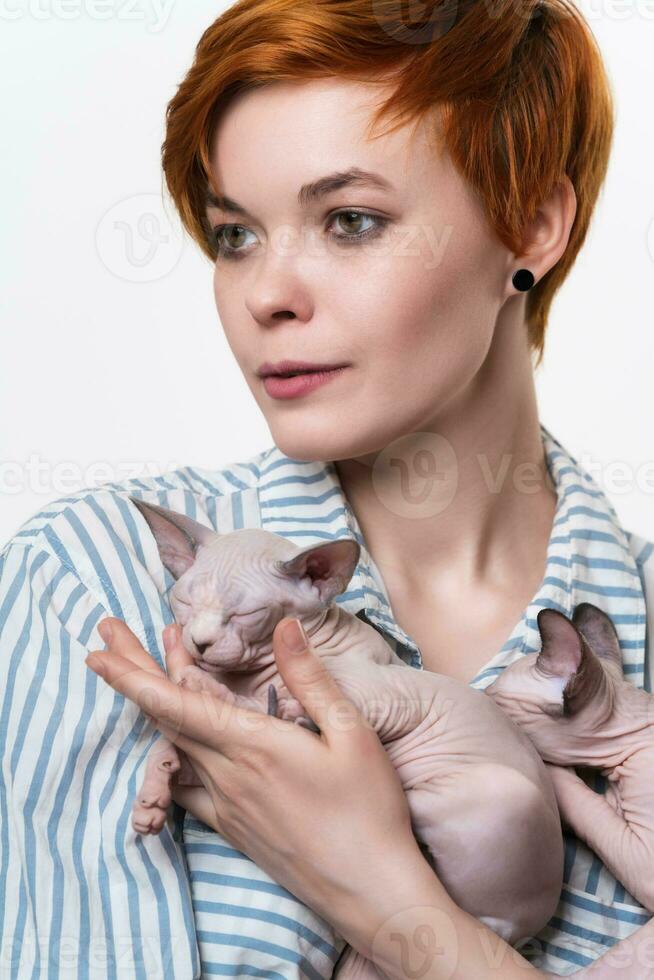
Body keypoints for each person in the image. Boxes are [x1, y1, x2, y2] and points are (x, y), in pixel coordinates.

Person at [1, 0, 653, 976]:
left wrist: (384, 900)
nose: (267, 292)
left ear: (532, 224)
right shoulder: (88, 583)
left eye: (349, 220)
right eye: (234, 235)